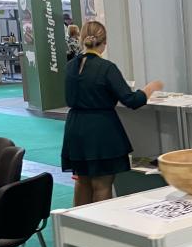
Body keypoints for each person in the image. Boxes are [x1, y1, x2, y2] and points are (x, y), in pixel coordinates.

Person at [61, 21, 163, 207]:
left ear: (82, 39)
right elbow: (131, 100)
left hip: (75, 129)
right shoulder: (106, 68)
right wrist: (150, 88)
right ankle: (100, 223)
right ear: (105, 42)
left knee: (82, 182)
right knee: (102, 185)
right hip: (101, 130)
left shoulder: (70, 66)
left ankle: (79, 223)